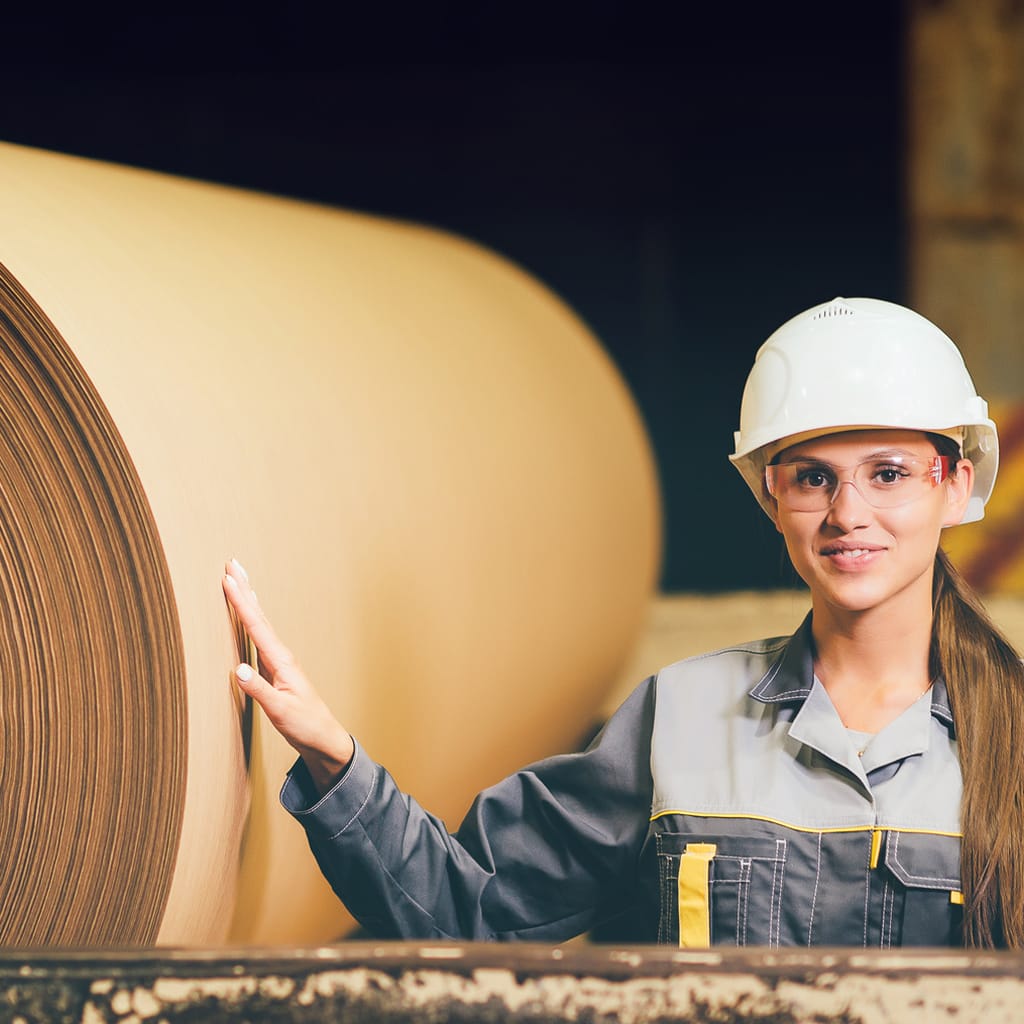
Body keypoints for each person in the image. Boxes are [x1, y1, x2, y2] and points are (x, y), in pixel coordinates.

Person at [222, 296, 1024, 949]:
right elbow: (474, 915)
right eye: (814, 478)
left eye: (888, 475)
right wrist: (334, 758)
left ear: (955, 487)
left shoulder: (1012, 739)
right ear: (772, 497)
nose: (848, 513)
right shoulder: (678, 719)